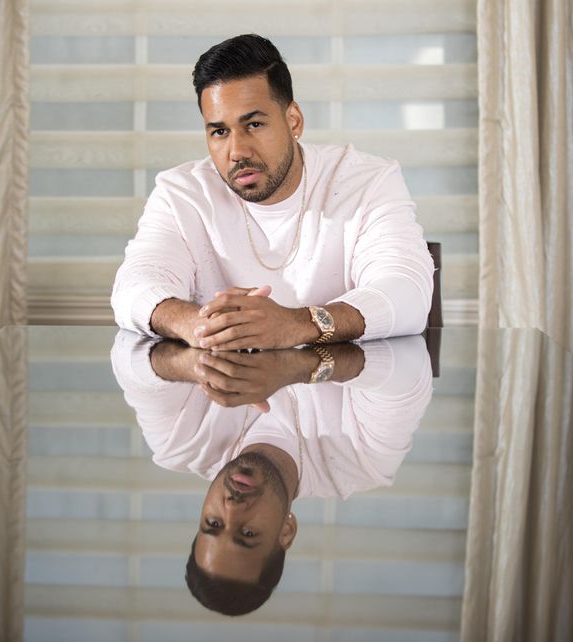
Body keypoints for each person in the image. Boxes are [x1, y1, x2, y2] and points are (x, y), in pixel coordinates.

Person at [111, 34, 434, 352]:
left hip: (340, 381)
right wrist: (198, 324)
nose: (237, 151)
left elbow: (406, 294)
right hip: (218, 380)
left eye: (254, 125)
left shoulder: (367, 182)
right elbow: (135, 286)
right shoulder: (182, 193)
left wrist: (297, 324)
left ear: (293, 120)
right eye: (220, 131)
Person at [110, 330, 433, 615]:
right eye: (248, 534)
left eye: (213, 524)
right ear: (286, 532)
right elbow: (409, 369)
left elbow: (129, 358)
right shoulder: (363, 461)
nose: (232, 509)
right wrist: (294, 360)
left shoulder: (178, 443)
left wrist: (202, 348)